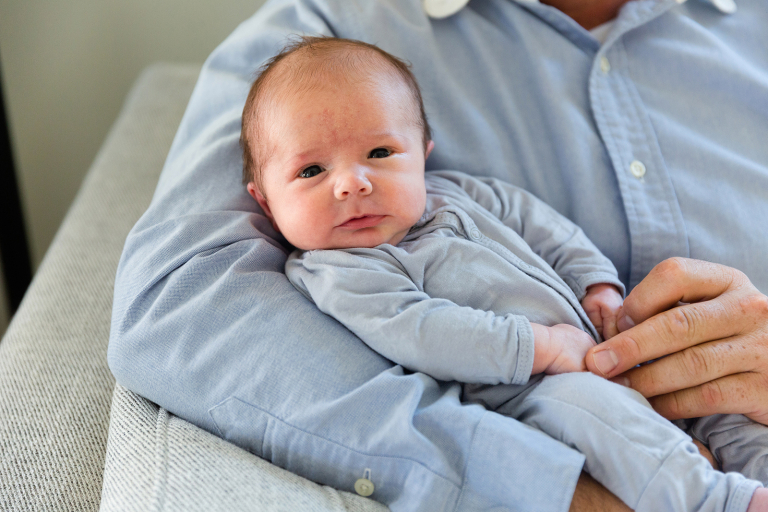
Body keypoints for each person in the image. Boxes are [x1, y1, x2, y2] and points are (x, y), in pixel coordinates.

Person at [108, 0, 768, 510]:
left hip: (690, 385)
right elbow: (180, 309)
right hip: (554, 395)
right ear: (263, 197)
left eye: (379, 154)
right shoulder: (322, 38)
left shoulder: (460, 197)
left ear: (424, 154)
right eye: (313, 171)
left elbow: (534, 222)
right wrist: (539, 479)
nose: (353, 183)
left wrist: (595, 281)